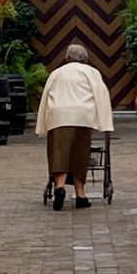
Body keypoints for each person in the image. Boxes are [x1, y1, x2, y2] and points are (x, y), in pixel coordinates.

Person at [35, 43, 113, 211]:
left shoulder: (56, 73)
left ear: (67, 57)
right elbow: (101, 95)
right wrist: (104, 121)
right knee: (80, 154)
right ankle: (81, 196)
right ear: (85, 58)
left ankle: (60, 187)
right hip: (82, 116)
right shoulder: (91, 72)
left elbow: (45, 97)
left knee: (59, 153)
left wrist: (43, 124)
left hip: (58, 116)